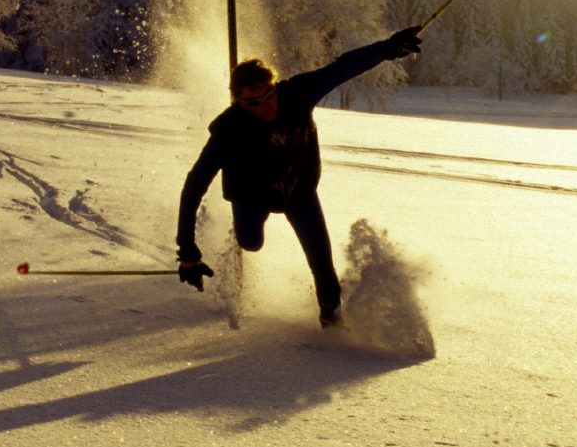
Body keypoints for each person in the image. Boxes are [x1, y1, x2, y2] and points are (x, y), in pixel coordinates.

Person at [176, 27, 423, 327]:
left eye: (267, 95)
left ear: (274, 86)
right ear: (241, 102)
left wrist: (386, 49)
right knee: (251, 244)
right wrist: (187, 251)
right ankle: (247, 237)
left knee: (321, 262)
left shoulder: (298, 93)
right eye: (253, 103)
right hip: (250, 197)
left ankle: (331, 319)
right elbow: (193, 187)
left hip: (299, 192)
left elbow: (341, 68)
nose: (265, 105)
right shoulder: (228, 132)